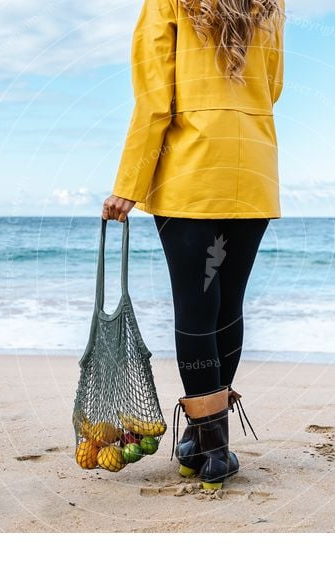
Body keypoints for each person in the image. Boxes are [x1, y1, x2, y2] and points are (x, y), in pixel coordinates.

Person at [101, 0, 285, 490]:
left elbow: (155, 98)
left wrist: (128, 185)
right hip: (253, 170)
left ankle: (212, 446)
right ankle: (208, 442)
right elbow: (275, 85)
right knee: (228, 305)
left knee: (195, 309)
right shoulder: (270, 3)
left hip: (191, 172)